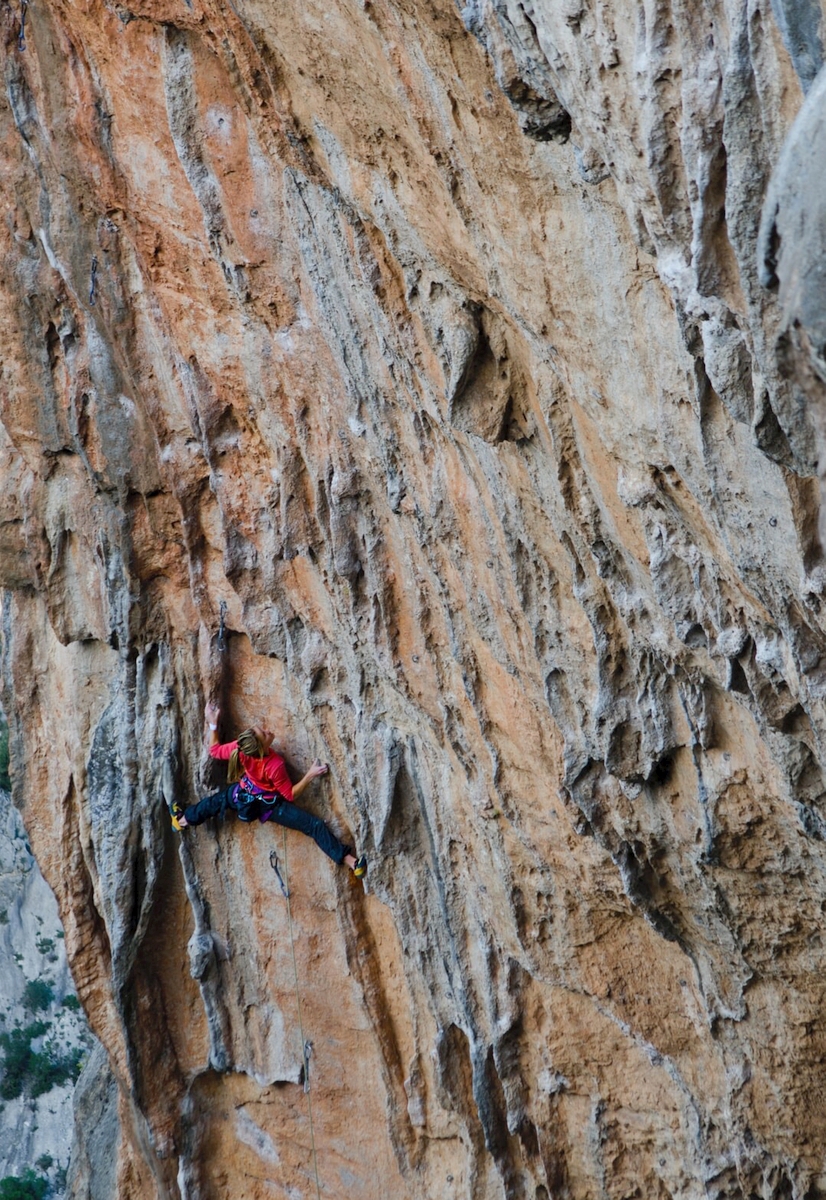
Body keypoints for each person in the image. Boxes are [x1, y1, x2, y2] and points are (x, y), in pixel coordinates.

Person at [171, 702, 367, 877]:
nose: (266, 731)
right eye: (264, 734)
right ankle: (352, 863)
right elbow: (289, 794)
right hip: (270, 806)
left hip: (243, 794)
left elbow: (214, 750)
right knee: (314, 826)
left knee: (214, 803)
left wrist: (212, 723)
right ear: (261, 748)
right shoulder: (274, 765)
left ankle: (182, 820)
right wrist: (310, 775)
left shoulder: (241, 749)